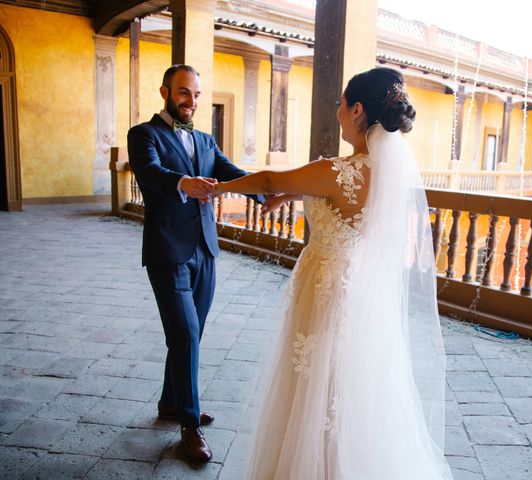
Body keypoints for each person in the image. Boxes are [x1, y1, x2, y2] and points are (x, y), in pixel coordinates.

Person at [211, 67, 453, 479]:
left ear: (357, 110)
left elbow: (269, 176)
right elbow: (335, 197)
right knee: (344, 384)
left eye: (340, 104)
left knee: (314, 383)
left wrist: (216, 188)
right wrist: (292, 193)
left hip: (324, 287)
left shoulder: (337, 170)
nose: (337, 110)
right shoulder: (383, 172)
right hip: (355, 285)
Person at [127, 64, 263, 463]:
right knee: (185, 334)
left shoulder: (205, 139)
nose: (192, 101)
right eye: (184, 92)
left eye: (197, 94)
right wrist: (183, 183)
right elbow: (150, 173)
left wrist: (263, 191)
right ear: (165, 91)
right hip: (167, 251)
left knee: (191, 334)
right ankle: (189, 424)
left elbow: (230, 172)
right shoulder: (143, 134)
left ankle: (172, 402)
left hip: (205, 249)